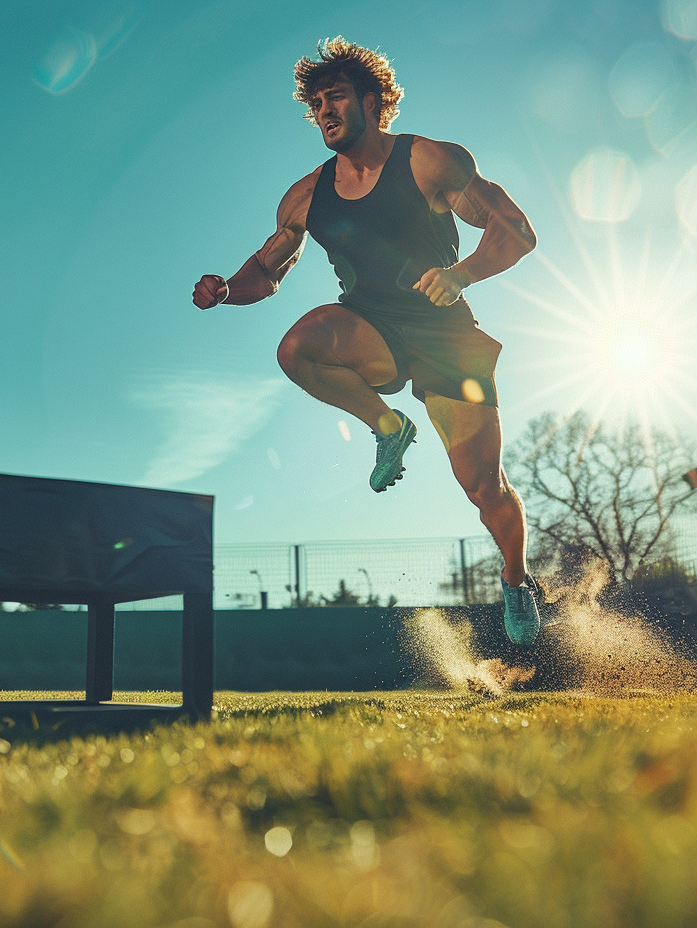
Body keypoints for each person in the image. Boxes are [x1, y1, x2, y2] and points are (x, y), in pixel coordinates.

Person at [192, 38, 543, 645]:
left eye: (337, 97)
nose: (325, 111)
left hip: (445, 337)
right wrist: (227, 290)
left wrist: (462, 275)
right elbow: (268, 270)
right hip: (368, 327)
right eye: (317, 103)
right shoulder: (306, 196)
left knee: (485, 487)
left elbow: (516, 232)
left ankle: (516, 580)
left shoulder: (431, 160)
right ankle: (387, 427)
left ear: (373, 101)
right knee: (297, 348)